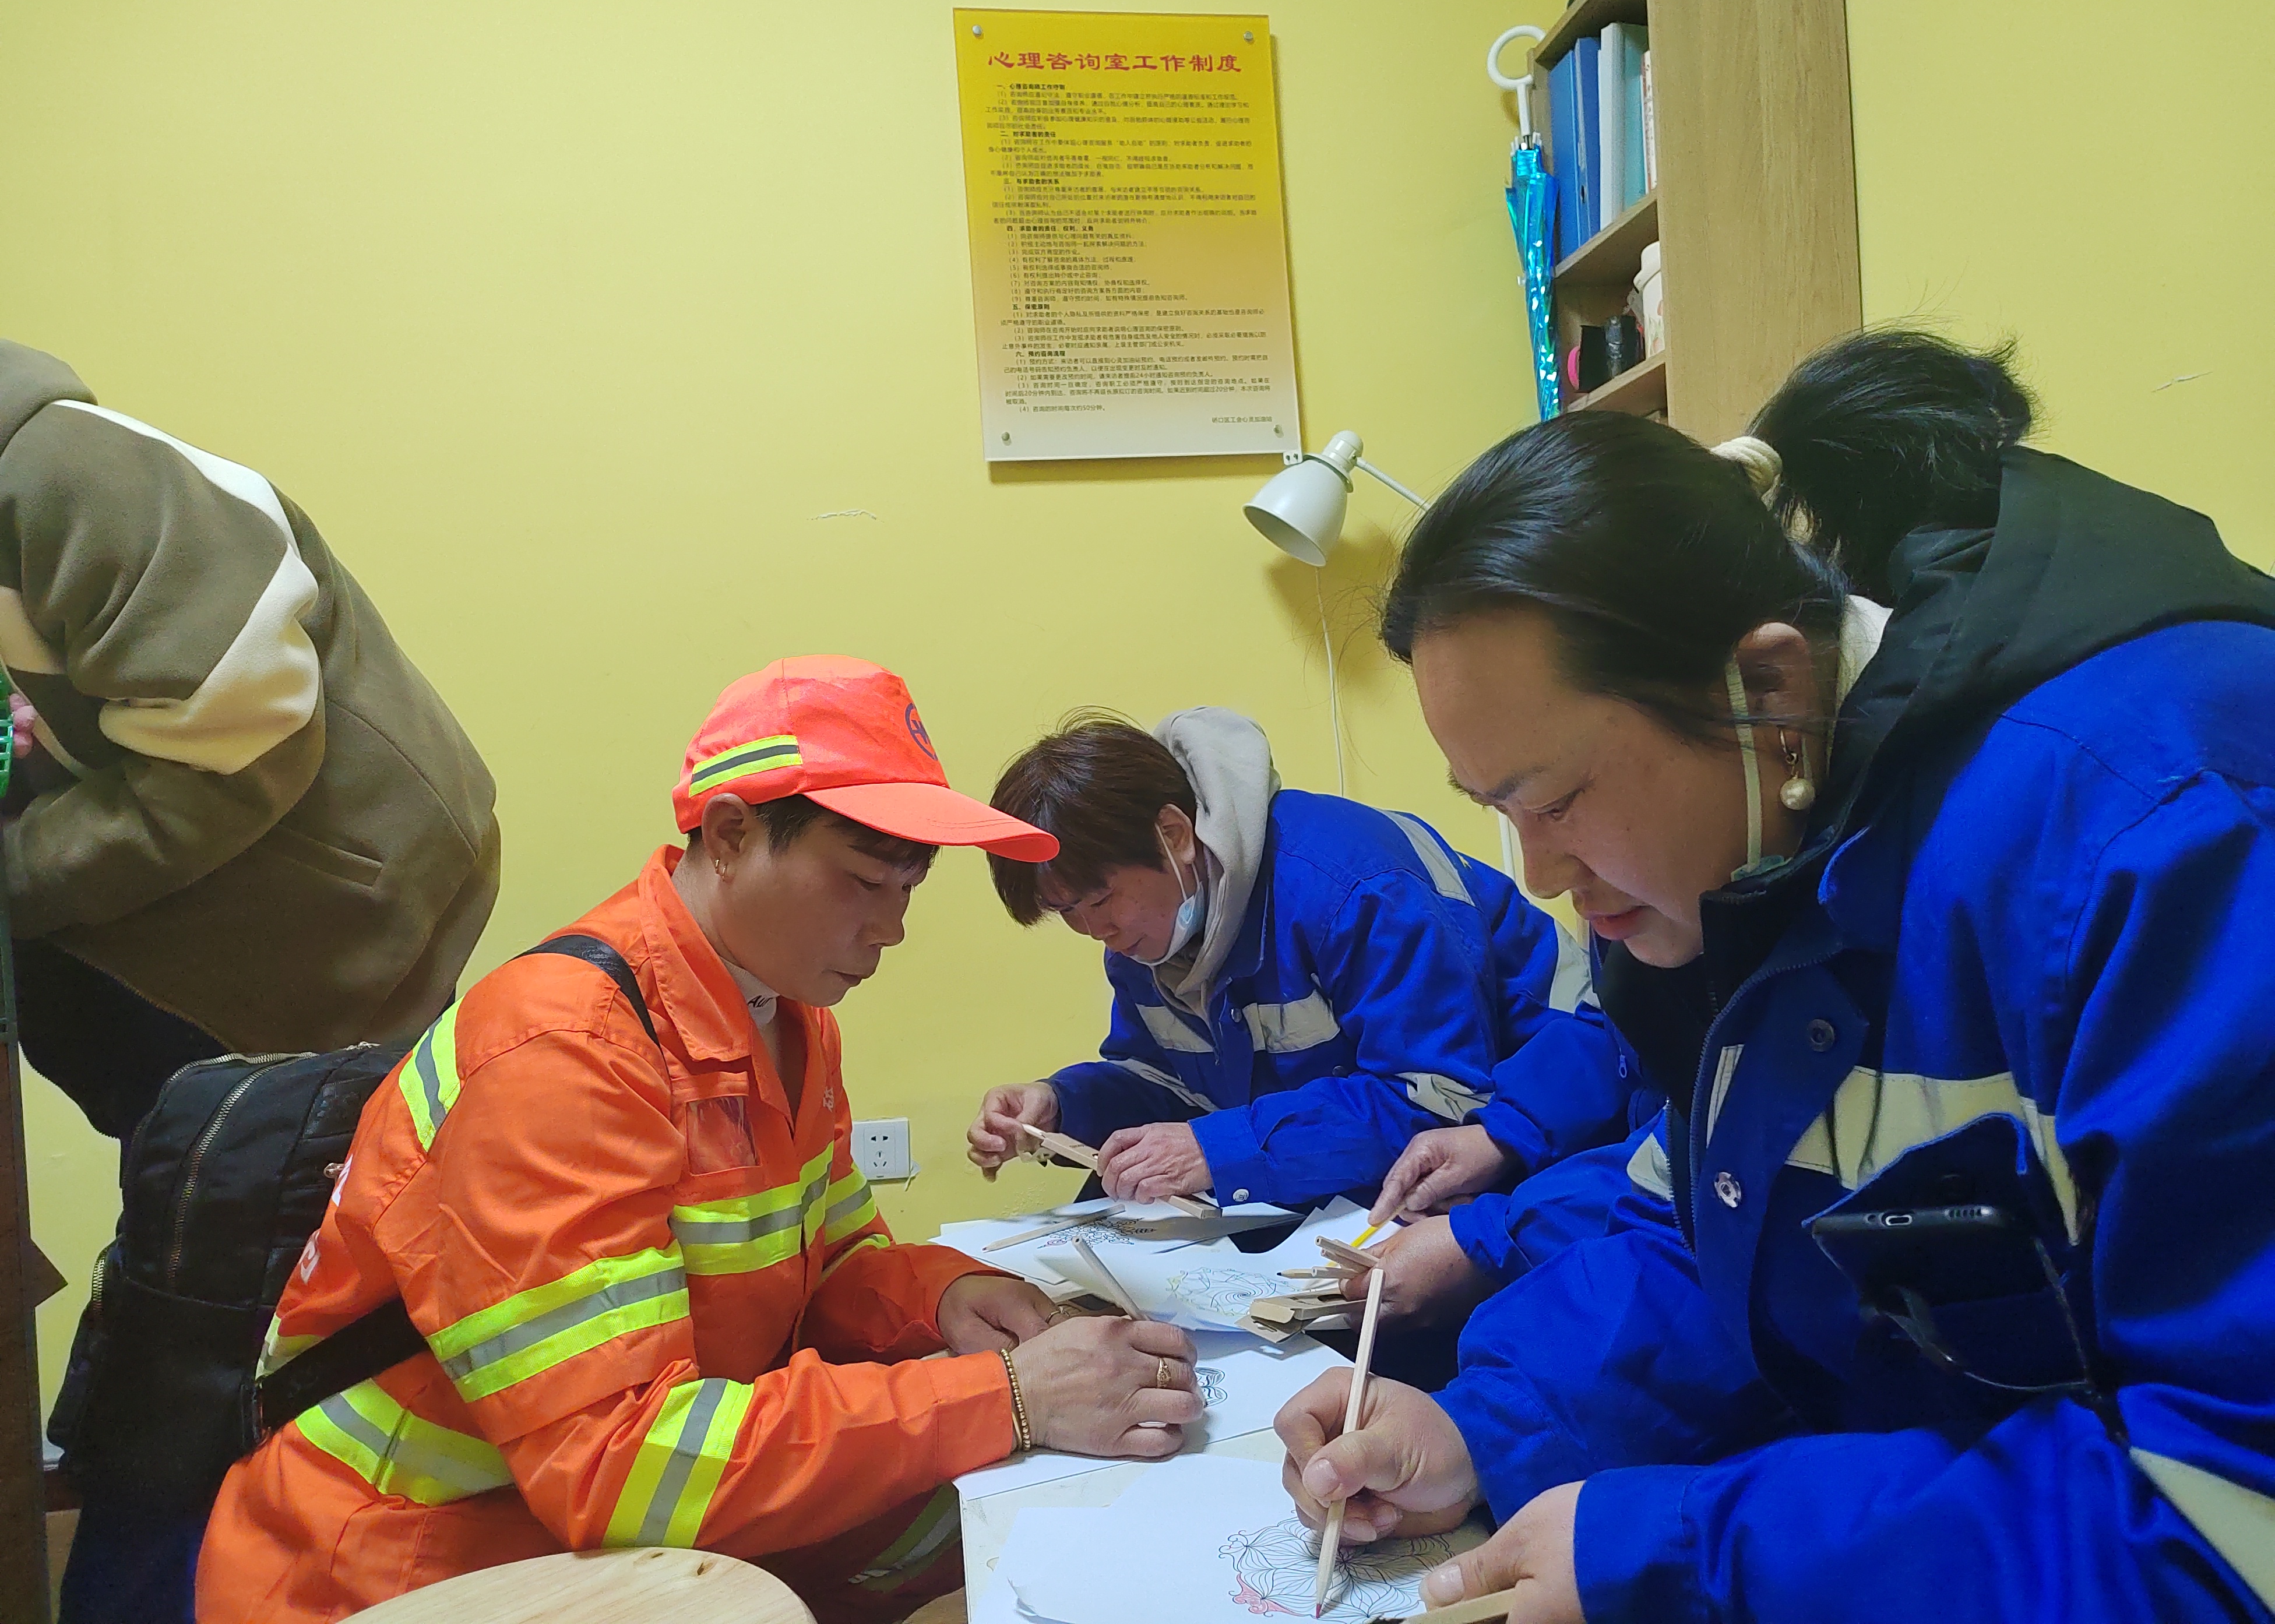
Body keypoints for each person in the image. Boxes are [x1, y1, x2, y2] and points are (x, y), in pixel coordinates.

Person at [1274, 332, 2275, 1622]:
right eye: (1495, 812)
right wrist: (1485, 1427)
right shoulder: (1746, 858)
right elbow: (1720, 1232)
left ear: (1765, 686)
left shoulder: (2160, 835)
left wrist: (1692, 1552)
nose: (1539, 874)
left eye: (1557, 799)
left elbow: (2231, 1517)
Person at [199, 658, 1206, 1623]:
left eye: (905, 890)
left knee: (995, 1517)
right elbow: (619, 1467)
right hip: (405, 1567)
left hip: (600, 1540)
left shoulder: (791, 1020)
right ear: (729, 835)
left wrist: (941, 1296)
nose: (890, 929)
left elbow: (830, 1259)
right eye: (863, 883)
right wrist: (1009, 1396)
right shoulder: (561, 1053)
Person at [0, 340, 500, 1140]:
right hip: (166, 946)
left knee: (326, 1201)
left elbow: (232, 750)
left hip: (301, 944)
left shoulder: (65, 480)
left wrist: (17, 867)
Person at [964, 709, 1650, 1214]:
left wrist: (1217, 1150)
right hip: (1370, 1176)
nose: (1094, 930)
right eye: (1065, 912)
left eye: (1098, 899)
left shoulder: (1352, 887)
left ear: (1173, 835)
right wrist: (1062, 1104)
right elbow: (1174, 1085)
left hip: (1559, 1123)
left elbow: (1438, 1098)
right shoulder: (1149, 934)